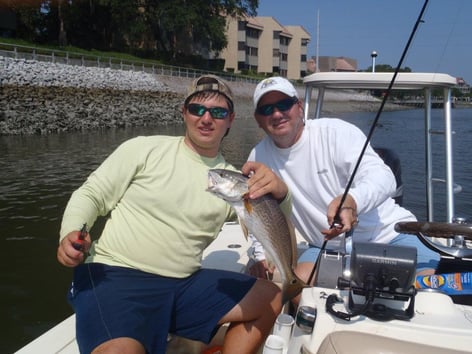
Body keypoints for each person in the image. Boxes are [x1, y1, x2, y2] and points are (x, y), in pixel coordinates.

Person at [56, 74, 291, 354]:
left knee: (271, 298)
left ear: (230, 119)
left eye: (218, 112)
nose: (206, 119)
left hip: (182, 284)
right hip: (116, 275)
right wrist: (70, 232)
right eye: (197, 109)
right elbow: (91, 194)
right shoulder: (144, 149)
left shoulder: (233, 181)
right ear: (184, 113)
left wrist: (281, 195)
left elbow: (273, 223)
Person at [247, 76, 440, 287]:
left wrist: (352, 201)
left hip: (390, 236)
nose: (276, 114)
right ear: (257, 119)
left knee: (424, 295)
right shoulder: (257, 158)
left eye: (284, 105)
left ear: (299, 107)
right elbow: (257, 215)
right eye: (267, 109)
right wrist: (260, 256)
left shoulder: (336, 133)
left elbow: (384, 177)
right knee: (297, 289)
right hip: (324, 246)